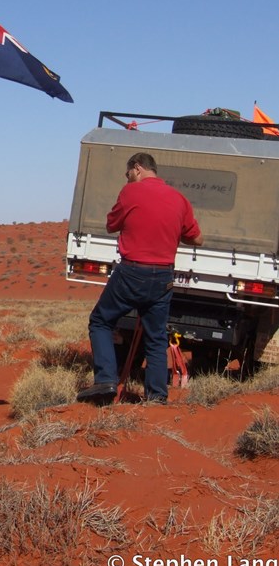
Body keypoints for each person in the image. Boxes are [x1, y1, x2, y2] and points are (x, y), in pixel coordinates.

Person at [78, 152, 204, 404]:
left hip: (132, 272)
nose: (128, 179)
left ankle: (106, 380)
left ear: (137, 168)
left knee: (101, 321)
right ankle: (156, 396)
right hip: (164, 276)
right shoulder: (179, 199)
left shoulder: (130, 193)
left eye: (128, 175)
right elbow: (197, 238)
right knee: (155, 336)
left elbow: (111, 224)